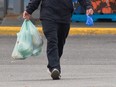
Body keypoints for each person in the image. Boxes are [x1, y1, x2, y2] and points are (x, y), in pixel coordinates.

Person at [23, 0, 94, 80]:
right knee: (52, 41)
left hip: (65, 16)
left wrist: (88, 6)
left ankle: (52, 65)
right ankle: (55, 68)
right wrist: (29, 10)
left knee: (60, 43)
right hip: (48, 16)